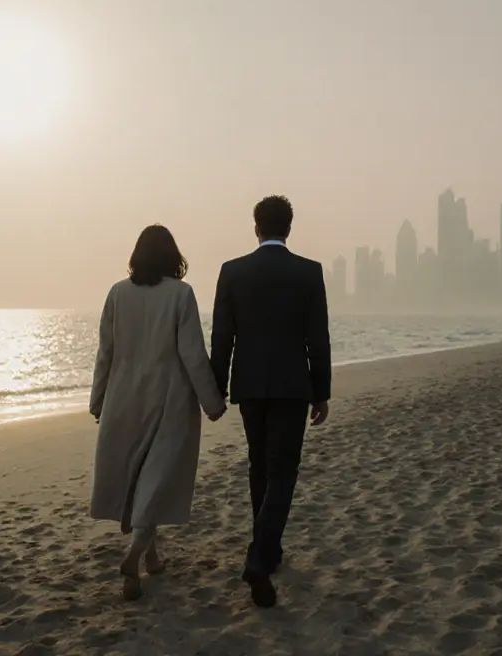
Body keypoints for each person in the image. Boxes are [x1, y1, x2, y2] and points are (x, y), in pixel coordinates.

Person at [88, 224, 227, 601]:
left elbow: (106, 353)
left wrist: (98, 400)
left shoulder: (117, 293)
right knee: (157, 479)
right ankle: (134, 556)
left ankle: (151, 557)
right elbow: (193, 355)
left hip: (124, 400)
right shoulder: (181, 295)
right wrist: (212, 402)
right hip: (169, 402)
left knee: (138, 479)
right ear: (173, 257)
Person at [210, 195, 331, 608]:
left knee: (259, 465)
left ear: (256, 227)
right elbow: (318, 337)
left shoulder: (232, 272)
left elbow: (222, 336)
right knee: (284, 471)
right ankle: (261, 556)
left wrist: (216, 387)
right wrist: (322, 391)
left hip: (249, 384)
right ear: (289, 228)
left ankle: (267, 549)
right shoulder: (309, 273)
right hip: (293, 385)